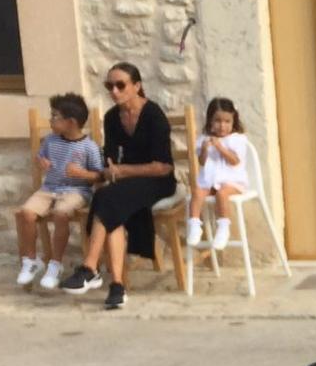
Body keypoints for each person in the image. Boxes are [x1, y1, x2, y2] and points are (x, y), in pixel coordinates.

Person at [64, 62, 176, 311]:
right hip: (126, 184)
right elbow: (111, 157)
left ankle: (90, 268)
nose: (114, 91)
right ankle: (116, 285)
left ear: (137, 86)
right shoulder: (112, 117)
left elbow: (164, 167)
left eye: (120, 85)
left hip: (158, 181)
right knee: (110, 202)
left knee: (107, 199)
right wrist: (107, 170)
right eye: (109, 86)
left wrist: (123, 170)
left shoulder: (154, 115)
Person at [14, 93, 101, 293]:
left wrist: (82, 173)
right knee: (26, 213)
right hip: (49, 188)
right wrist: (41, 162)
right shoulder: (51, 141)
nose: (51, 120)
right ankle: (31, 260)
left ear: (70, 122)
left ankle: (55, 264)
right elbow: (40, 157)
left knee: (61, 214)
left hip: (76, 190)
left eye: (55, 117)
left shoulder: (89, 147)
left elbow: (98, 176)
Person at [188, 97, 249, 251]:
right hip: (209, 180)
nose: (222, 126)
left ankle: (223, 227)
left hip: (232, 181)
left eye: (227, 121)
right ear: (210, 121)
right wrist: (204, 149)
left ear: (233, 122)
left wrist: (220, 148)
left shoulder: (237, 139)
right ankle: (195, 224)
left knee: (222, 194)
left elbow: (234, 161)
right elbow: (201, 162)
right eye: (218, 121)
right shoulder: (204, 139)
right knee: (197, 192)